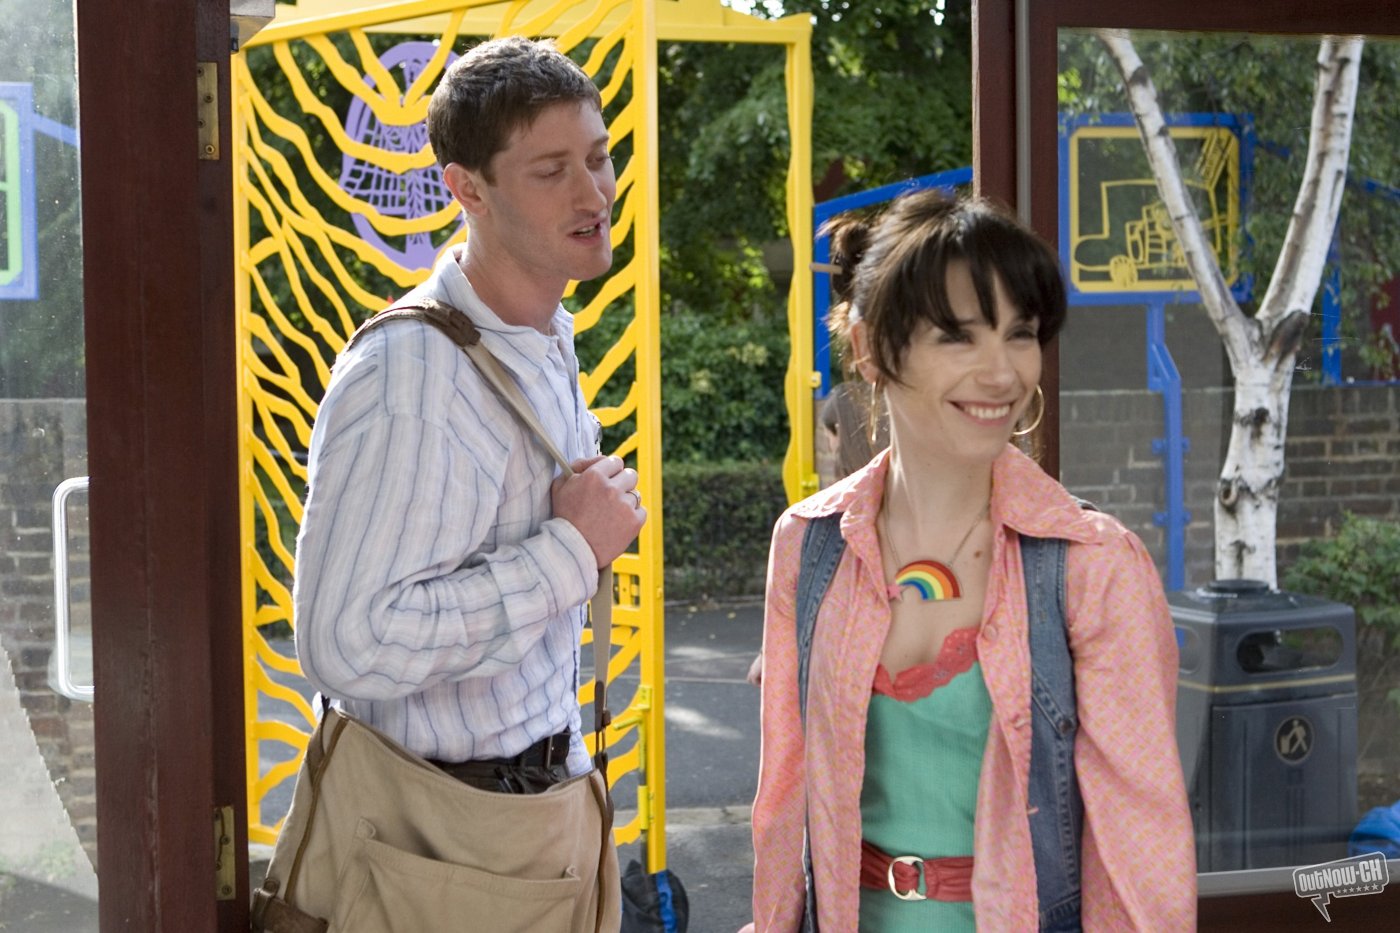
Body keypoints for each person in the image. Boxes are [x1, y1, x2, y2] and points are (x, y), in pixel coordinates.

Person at [748, 190, 1196, 930]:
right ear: (870, 346)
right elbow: (782, 800)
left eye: (1020, 335)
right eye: (958, 336)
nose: (1003, 374)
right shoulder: (808, 543)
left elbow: (1139, 854)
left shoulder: (1093, 565)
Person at [292, 36, 642, 928]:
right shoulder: (410, 377)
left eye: (598, 158)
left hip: (532, 818)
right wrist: (571, 551)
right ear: (468, 189)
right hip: (436, 846)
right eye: (551, 170)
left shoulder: (541, 336)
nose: (594, 193)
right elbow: (347, 641)